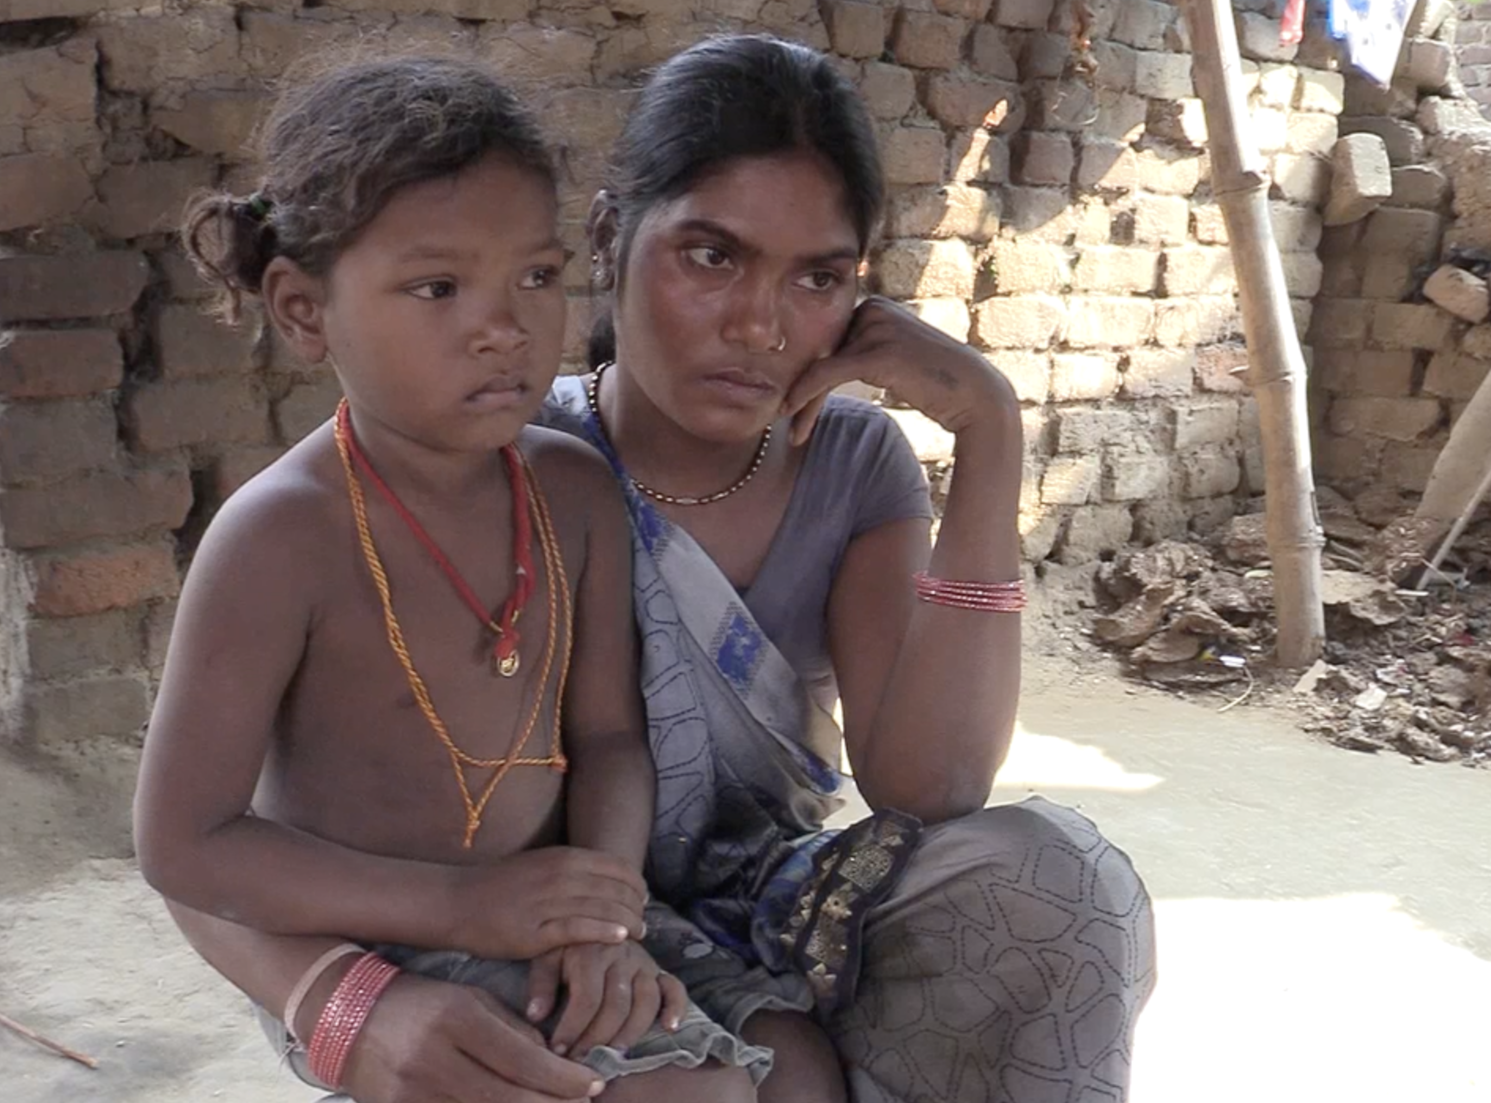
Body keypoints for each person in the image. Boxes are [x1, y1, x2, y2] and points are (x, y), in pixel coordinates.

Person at [169, 36, 1156, 1103]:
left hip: (724, 905)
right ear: (609, 236)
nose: (757, 323)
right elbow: (194, 832)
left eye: (817, 277)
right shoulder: (473, 463)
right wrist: (338, 1000)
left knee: (1052, 891)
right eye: (711, 255)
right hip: (508, 920)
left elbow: (931, 790)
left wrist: (988, 432)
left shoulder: (837, 465)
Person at [132, 57, 767, 1103]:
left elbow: (607, 737)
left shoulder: (569, 491)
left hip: (549, 903)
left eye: (535, 275)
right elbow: (183, 843)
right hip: (365, 932)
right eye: (438, 287)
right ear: (302, 311)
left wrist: (598, 912)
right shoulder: (278, 539)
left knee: (776, 1068)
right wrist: (462, 910)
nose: (505, 326)